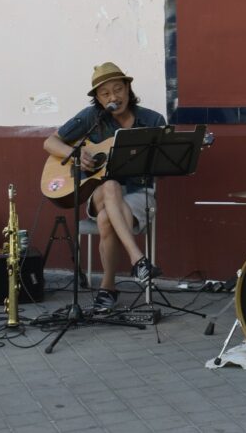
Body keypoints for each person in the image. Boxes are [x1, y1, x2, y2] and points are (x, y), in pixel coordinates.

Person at [43, 62, 167, 313]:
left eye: (118, 89)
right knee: (110, 185)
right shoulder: (91, 118)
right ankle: (138, 260)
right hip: (98, 193)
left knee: (105, 220)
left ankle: (107, 288)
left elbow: (162, 163)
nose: (113, 97)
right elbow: (50, 142)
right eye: (106, 93)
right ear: (98, 99)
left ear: (128, 88)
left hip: (138, 194)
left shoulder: (153, 120)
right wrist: (74, 154)